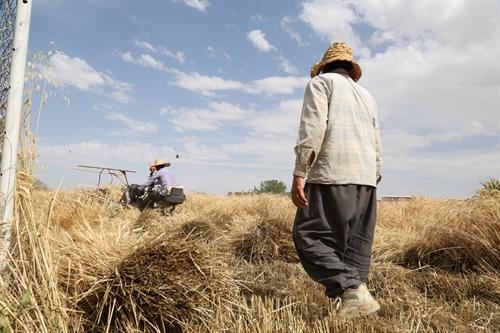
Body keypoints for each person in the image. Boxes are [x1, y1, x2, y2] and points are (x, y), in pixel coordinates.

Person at [291, 41, 382, 319]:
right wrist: (374, 176)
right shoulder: (367, 96)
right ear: (350, 69)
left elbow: (313, 126)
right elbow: (377, 141)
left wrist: (300, 171)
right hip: (366, 179)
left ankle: (352, 290)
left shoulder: (321, 84)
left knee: (308, 235)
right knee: (354, 246)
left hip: (333, 173)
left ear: (325, 66)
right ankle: (356, 302)